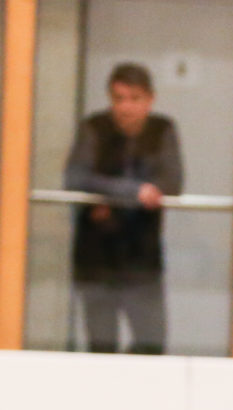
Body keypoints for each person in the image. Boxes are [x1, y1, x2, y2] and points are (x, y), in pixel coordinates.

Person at [65, 62, 183, 355]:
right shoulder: (94, 127)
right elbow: (76, 178)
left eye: (134, 99)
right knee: (101, 347)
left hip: (142, 259)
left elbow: (172, 181)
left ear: (150, 99)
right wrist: (134, 192)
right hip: (95, 259)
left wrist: (108, 199)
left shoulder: (162, 129)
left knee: (151, 345)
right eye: (118, 99)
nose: (125, 108)